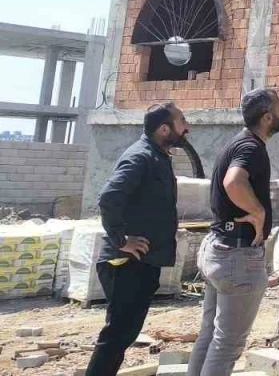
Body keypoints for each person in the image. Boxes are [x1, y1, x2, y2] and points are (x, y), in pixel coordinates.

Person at [187, 89, 279, 376]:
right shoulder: (251, 148)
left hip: (219, 248)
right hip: (237, 257)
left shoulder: (238, 142)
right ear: (267, 117)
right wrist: (259, 212)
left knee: (210, 336)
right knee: (227, 345)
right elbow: (233, 182)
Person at [86, 103, 187, 376]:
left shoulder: (157, 156)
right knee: (117, 335)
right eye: (181, 121)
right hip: (126, 262)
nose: (186, 127)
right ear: (164, 129)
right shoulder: (141, 156)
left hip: (141, 262)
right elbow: (109, 197)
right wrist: (121, 240)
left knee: (123, 333)